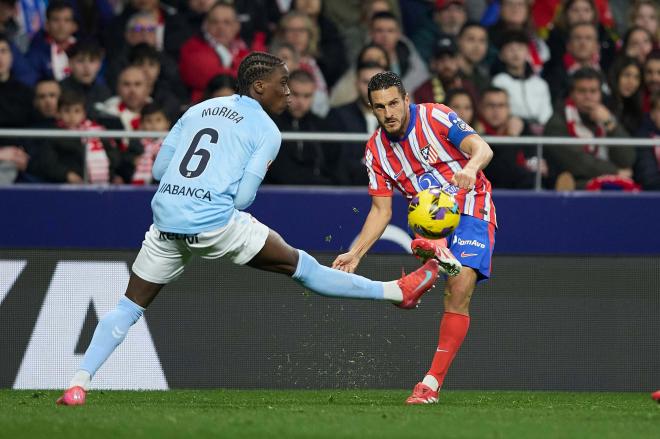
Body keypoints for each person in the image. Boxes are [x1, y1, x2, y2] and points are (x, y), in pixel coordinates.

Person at [55, 52, 440, 406]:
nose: (288, 93)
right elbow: (241, 200)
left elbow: (158, 172)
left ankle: (78, 382)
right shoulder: (268, 131)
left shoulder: (199, 109)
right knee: (301, 267)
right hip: (214, 223)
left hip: (167, 219)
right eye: (283, 84)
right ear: (259, 87)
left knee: (128, 306)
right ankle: (396, 292)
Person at [332, 71, 496, 405]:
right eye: (380, 107)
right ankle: (433, 264)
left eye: (394, 103)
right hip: (427, 221)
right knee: (451, 270)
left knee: (460, 288)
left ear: (407, 99)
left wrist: (470, 168)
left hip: (472, 206)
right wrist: (356, 253)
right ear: (372, 110)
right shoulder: (375, 152)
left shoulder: (435, 115)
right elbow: (381, 211)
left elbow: (482, 148)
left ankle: (430, 382)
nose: (388, 112)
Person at [543, 67, 635, 190]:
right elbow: (577, 162)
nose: (588, 96)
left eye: (593, 91)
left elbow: (628, 159)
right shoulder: (557, 122)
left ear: (600, 94)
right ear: (571, 94)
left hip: (612, 184)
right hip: (574, 186)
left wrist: (610, 124)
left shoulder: (607, 115)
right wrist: (615, 172)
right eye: (582, 91)